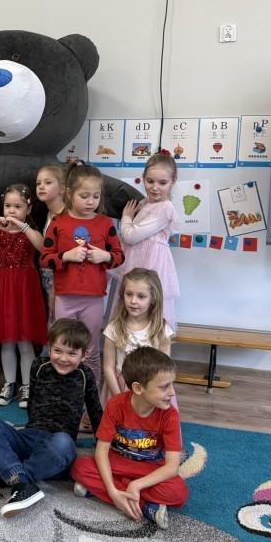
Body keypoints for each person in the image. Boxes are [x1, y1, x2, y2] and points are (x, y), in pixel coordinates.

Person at [0, 318, 103, 518]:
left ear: (84, 355)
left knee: (63, 441)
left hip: (57, 448)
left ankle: (10, 476)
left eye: (72, 353)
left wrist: (103, 452)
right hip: (28, 437)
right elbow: (32, 402)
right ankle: (21, 481)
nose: (63, 358)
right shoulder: (39, 365)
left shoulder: (86, 375)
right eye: (57, 351)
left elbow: (95, 412)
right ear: (49, 347)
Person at [71, 346, 188, 529]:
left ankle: (99, 489)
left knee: (178, 492)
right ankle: (145, 507)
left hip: (150, 469)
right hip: (117, 463)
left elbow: (172, 467)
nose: (172, 392)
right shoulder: (116, 405)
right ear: (138, 388)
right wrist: (113, 491)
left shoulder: (170, 415)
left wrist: (137, 485)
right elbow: (101, 451)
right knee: (78, 466)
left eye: (172, 384)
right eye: (164, 387)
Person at [39, 161, 125, 385]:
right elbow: (44, 258)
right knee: (63, 349)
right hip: (65, 298)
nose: (90, 202)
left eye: (96, 196)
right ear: (68, 193)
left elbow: (120, 256)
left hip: (93, 299)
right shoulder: (58, 222)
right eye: (84, 196)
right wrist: (66, 256)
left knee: (91, 351)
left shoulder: (105, 223)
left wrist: (105, 256)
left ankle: (90, 398)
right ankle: (64, 392)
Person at [0, 183, 47, 409]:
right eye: (8, 206)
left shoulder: (30, 232)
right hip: (3, 290)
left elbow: (43, 247)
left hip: (25, 290)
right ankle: (10, 385)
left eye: (18, 206)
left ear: (28, 209)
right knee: (7, 341)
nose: (12, 210)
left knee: (25, 343)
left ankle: (28, 387)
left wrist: (23, 227)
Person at [117, 151, 180, 330]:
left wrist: (126, 217)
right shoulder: (145, 203)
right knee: (130, 304)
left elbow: (130, 235)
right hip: (135, 263)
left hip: (152, 265)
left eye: (162, 183)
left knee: (147, 307)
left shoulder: (165, 207)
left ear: (173, 181)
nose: (155, 188)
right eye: (150, 181)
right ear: (143, 177)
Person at [101, 267, 176, 408]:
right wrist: (119, 397)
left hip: (151, 387)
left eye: (141, 296)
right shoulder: (114, 327)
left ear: (153, 298)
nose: (133, 301)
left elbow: (164, 370)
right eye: (129, 294)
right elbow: (108, 367)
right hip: (120, 386)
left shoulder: (161, 330)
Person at [35, 164, 66, 326]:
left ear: (62, 189)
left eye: (48, 183)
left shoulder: (65, 217)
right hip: (47, 278)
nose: (41, 187)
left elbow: (62, 258)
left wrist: (55, 290)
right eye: (38, 183)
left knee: (58, 325)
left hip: (59, 281)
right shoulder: (49, 214)